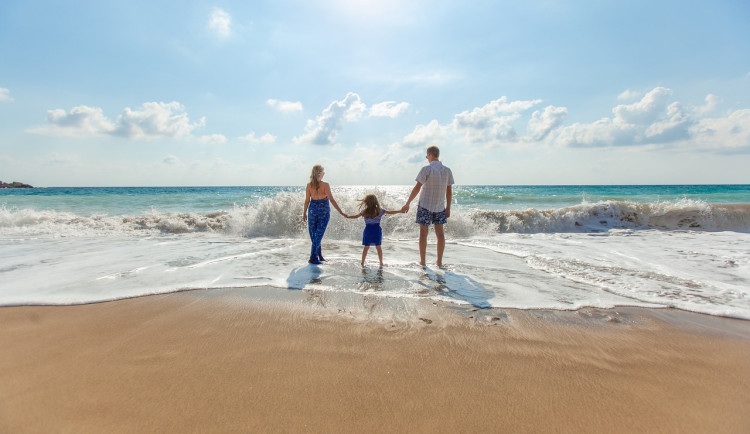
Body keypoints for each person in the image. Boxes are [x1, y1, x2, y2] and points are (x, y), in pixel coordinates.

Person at [400, 146, 454, 267]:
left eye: (426, 156)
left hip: (425, 205)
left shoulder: (426, 169)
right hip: (440, 207)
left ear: (430, 155)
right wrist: (448, 207)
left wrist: (407, 203)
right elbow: (449, 191)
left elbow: (417, 187)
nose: (426, 158)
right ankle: (439, 262)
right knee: (440, 234)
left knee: (423, 234)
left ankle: (423, 262)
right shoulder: (447, 170)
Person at [303, 165, 345, 264]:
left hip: (312, 210)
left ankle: (319, 255)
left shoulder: (309, 185)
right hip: (323, 211)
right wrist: (341, 211)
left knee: (315, 235)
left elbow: (306, 201)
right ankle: (313, 257)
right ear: (320, 173)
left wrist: (304, 213)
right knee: (318, 235)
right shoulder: (325, 185)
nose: (324, 174)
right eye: (323, 172)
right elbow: (332, 200)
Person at [345, 194, 402, 267]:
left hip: (368, 230)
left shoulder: (364, 211)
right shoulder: (380, 210)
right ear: (376, 202)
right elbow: (390, 212)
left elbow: (355, 216)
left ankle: (362, 263)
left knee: (366, 247)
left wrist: (347, 216)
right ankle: (381, 263)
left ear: (366, 202)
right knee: (378, 247)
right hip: (376, 230)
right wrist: (400, 211)